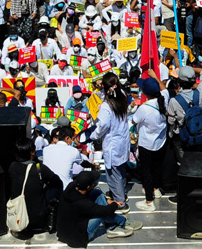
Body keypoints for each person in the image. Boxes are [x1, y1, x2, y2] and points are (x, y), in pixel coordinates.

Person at [55, 171, 141, 248]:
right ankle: (117, 224)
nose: (95, 183)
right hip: (78, 238)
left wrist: (106, 200)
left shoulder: (71, 186)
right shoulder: (83, 204)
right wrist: (114, 204)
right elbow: (106, 211)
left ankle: (112, 223)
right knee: (101, 214)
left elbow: (92, 200)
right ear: (88, 187)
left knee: (97, 192)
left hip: (64, 232)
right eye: (93, 183)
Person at [89, 72, 132, 209]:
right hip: (123, 140)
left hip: (113, 142)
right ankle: (119, 192)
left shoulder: (107, 106)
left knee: (113, 173)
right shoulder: (123, 96)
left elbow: (103, 125)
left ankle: (120, 201)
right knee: (121, 169)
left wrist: (93, 135)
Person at [7, 137, 63, 238]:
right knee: (55, 190)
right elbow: (58, 183)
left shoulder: (12, 167)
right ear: (32, 153)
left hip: (18, 214)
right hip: (37, 216)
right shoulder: (39, 168)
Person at [131, 76, 168, 211]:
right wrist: (155, 77)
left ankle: (149, 201)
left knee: (146, 172)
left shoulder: (144, 108)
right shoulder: (164, 99)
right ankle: (155, 189)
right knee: (157, 167)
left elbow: (134, 121)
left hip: (147, 144)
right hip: (161, 142)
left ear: (145, 93)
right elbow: (164, 89)